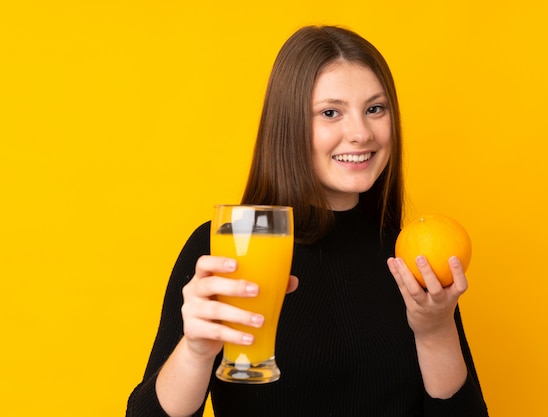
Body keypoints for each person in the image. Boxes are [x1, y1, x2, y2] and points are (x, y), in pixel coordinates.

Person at [126, 25, 489, 417]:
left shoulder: (409, 254)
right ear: (289, 125)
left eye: (375, 109)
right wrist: (196, 351)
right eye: (330, 112)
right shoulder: (227, 247)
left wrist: (435, 330)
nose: (360, 133)